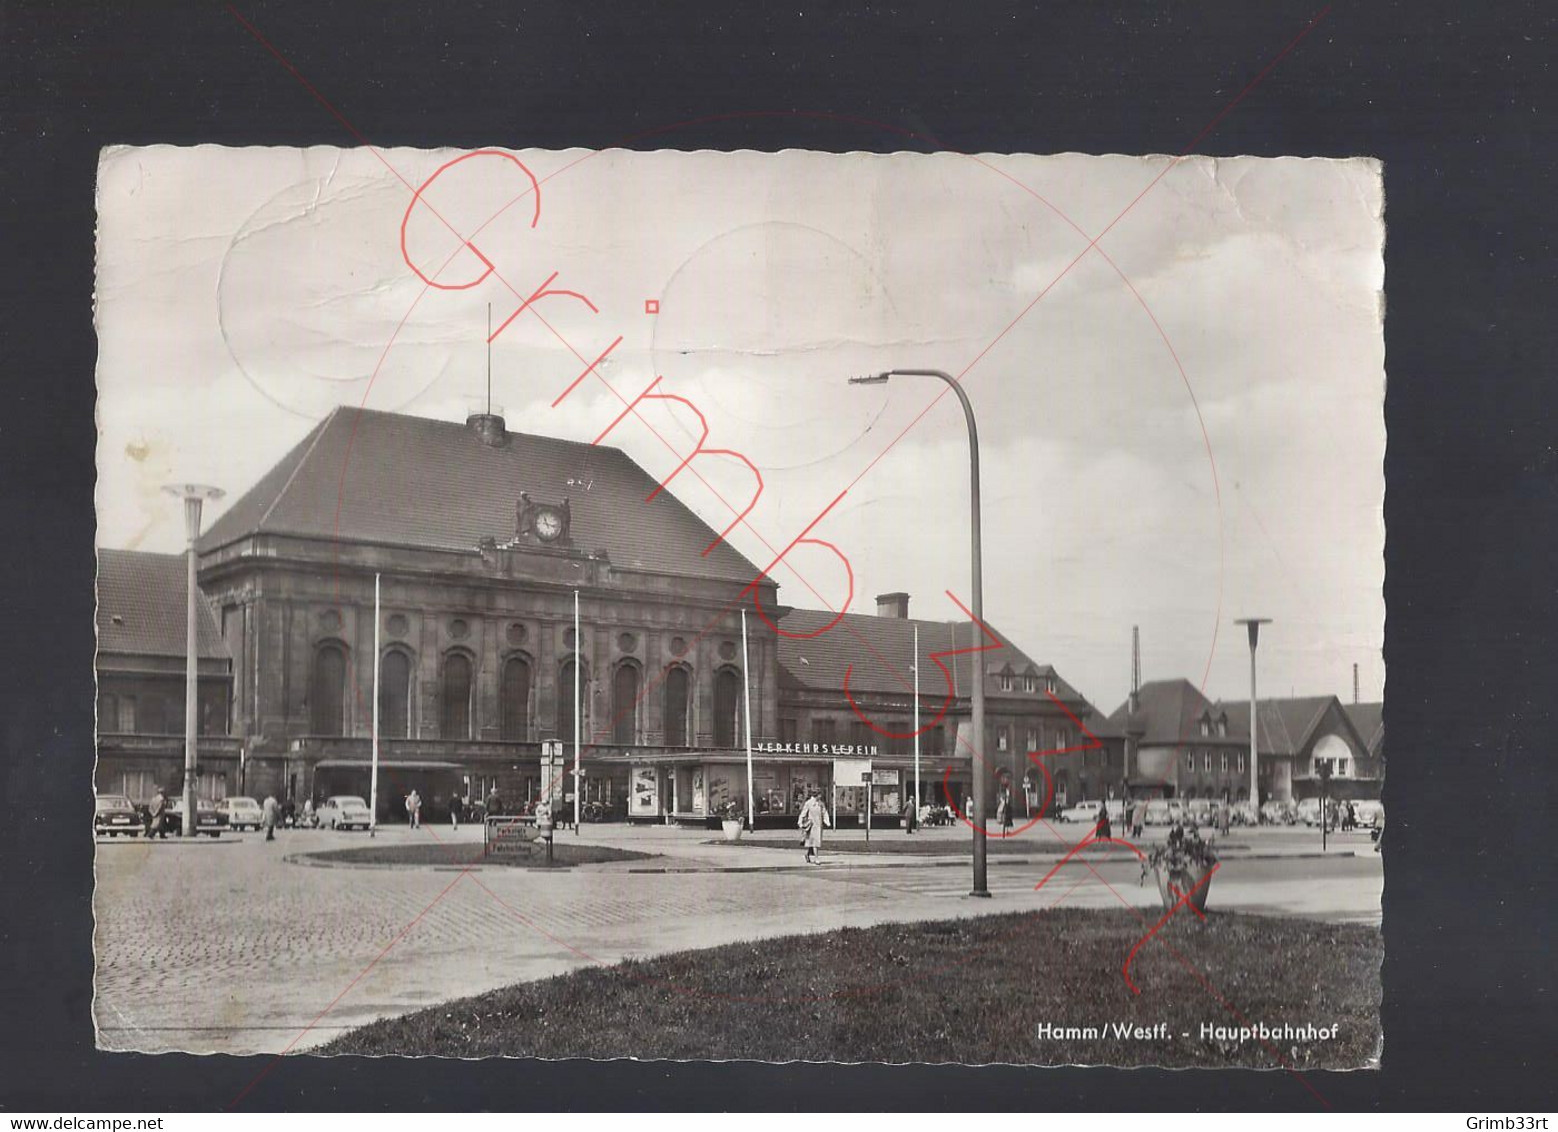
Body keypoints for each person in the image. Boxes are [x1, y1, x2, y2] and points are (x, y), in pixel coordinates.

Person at [798, 788, 830, 864]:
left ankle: (807, 855)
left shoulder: (821, 803)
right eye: (820, 794)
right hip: (812, 825)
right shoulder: (808, 803)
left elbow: (824, 812)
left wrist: (827, 821)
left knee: (812, 842)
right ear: (816, 795)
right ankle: (816, 858)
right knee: (816, 842)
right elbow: (803, 813)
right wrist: (800, 822)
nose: (821, 796)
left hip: (819, 825)